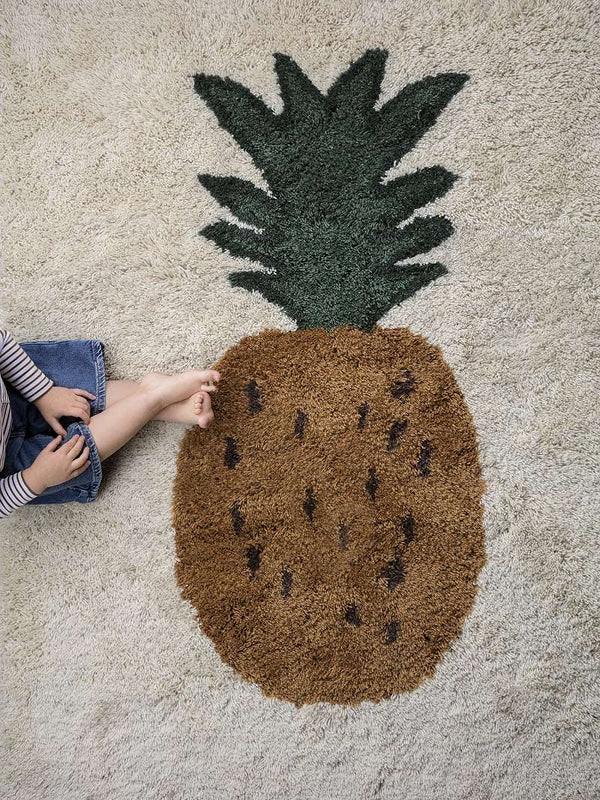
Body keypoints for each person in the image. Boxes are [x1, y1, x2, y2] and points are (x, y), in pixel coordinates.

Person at [0, 327, 220, 518]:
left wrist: (43, 393)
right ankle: (155, 398)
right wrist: (36, 478)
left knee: (73, 396)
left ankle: (157, 398)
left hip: (14, 388)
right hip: (17, 470)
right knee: (73, 457)